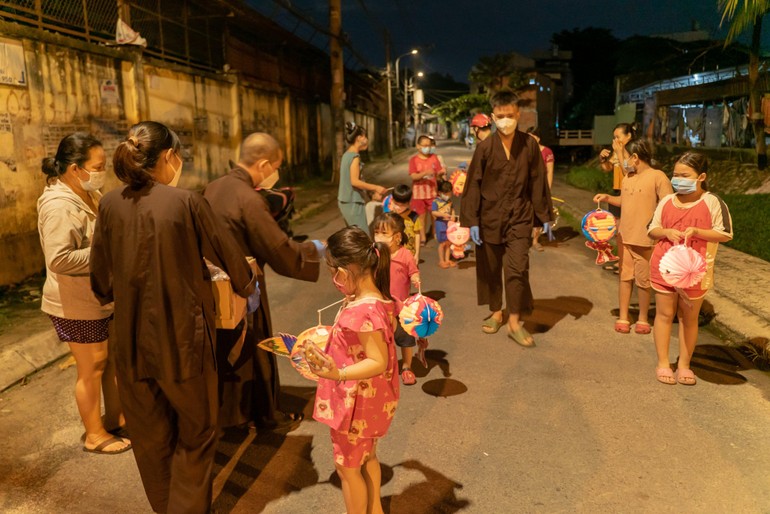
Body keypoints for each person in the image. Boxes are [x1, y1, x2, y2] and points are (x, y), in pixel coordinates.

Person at [90, 121, 256, 514]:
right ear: (168, 157)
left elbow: (101, 280)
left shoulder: (110, 203)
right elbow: (231, 259)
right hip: (184, 342)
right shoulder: (186, 202)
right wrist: (248, 285)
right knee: (197, 432)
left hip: (130, 344)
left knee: (150, 438)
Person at [204, 132, 323, 429]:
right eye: (276, 167)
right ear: (265, 164)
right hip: (245, 284)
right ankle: (261, 414)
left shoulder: (213, 187)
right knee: (254, 345)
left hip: (214, 284)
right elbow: (276, 247)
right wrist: (313, 250)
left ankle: (228, 414)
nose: (275, 174)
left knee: (225, 348)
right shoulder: (249, 199)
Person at [37, 133, 130, 455]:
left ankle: (115, 418)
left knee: (111, 361)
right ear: (75, 169)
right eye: (98, 166)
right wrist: (109, 252)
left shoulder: (87, 194)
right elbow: (59, 259)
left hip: (98, 297)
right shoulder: (59, 207)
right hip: (74, 302)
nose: (102, 171)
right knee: (92, 367)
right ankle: (94, 435)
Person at [305, 226, 399, 514]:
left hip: (355, 403)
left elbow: (377, 360)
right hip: (372, 400)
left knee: (347, 468)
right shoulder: (378, 299)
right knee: (368, 456)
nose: (332, 278)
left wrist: (338, 374)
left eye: (333, 270)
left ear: (346, 270)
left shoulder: (362, 309)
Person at [460, 90, 554, 347]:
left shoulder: (530, 145)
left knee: (517, 268)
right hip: (489, 217)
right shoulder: (485, 148)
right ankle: (495, 311)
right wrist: (472, 221)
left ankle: (513, 321)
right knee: (490, 268)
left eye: (510, 115)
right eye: (500, 116)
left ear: (518, 114)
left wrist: (543, 216)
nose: (505, 120)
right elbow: (474, 185)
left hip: (520, 217)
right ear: (493, 117)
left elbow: (537, 182)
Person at [648, 152, 733, 385]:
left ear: (701, 176)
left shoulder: (712, 202)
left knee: (689, 318)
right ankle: (663, 363)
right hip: (663, 268)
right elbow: (652, 228)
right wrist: (665, 232)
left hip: (695, 273)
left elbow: (725, 233)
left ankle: (684, 364)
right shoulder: (667, 201)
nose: (678, 179)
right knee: (664, 314)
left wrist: (697, 232)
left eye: (685, 175)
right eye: (675, 175)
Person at [593, 139, 673, 335]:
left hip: (646, 239)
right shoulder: (628, 177)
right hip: (625, 236)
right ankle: (623, 316)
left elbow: (668, 204)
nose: (624, 161)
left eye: (627, 157)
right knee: (624, 277)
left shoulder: (658, 176)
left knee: (644, 281)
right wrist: (607, 198)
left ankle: (643, 318)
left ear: (635, 157)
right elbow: (624, 200)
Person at [373, 212, 423, 385]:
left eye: (383, 233)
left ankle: (407, 366)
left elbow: (413, 271)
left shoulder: (405, 255)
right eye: (376, 232)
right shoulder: (376, 255)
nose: (378, 237)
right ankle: (383, 366)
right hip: (379, 305)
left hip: (401, 308)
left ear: (397, 237)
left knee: (405, 339)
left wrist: (415, 278)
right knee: (380, 337)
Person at [598, 123, 636, 272]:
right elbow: (607, 169)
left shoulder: (633, 152)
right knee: (618, 230)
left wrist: (620, 153)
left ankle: (628, 264)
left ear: (629, 136)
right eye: (613, 137)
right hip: (617, 192)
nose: (615, 140)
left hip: (629, 193)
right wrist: (602, 159)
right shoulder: (616, 151)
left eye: (618, 137)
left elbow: (628, 170)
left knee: (627, 231)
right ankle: (621, 261)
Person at [338, 122, 388, 231]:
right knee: (363, 236)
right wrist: (376, 187)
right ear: (359, 138)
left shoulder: (347, 155)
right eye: (365, 136)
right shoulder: (354, 157)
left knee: (355, 235)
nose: (366, 140)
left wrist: (370, 194)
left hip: (346, 200)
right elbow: (355, 182)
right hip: (352, 201)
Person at [408, 135, 443, 244]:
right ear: (418, 146)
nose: (427, 148)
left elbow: (439, 173)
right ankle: (422, 237)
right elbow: (413, 176)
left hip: (432, 192)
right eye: (425, 145)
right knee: (421, 217)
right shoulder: (413, 160)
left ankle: (434, 233)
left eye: (429, 145)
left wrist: (441, 174)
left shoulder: (434, 158)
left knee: (434, 215)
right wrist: (424, 173)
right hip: (418, 194)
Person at [527, 128, 555, 252]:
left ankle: (535, 241)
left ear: (538, 138)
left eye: (531, 137)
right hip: (526, 187)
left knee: (538, 215)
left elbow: (549, 172)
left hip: (540, 188)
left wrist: (547, 189)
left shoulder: (547, 152)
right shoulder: (524, 151)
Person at [390, 184, 422, 262]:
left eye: (403, 205)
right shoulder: (390, 216)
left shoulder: (414, 217)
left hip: (410, 255)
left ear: (408, 203)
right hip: (394, 255)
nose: (399, 207)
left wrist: (417, 254)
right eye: (396, 204)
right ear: (392, 200)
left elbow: (417, 234)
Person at [432, 180, 455, 268]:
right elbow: (434, 212)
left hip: (448, 224)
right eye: (446, 194)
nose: (448, 196)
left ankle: (447, 259)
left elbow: (452, 209)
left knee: (448, 242)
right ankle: (441, 261)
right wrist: (443, 215)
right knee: (442, 244)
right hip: (440, 224)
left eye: (449, 194)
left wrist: (452, 215)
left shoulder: (449, 202)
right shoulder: (436, 201)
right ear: (440, 193)